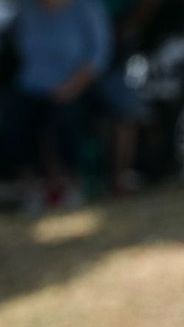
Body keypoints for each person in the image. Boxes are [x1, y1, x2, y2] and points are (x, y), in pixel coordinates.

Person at [11, 0, 111, 210]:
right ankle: (32, 186)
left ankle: (71, 183)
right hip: (33, 87)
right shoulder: (27, 11)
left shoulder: (87, 8)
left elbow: (99, 55)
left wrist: (71, 87)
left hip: (78, 85)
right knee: (15, 115)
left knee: (66, 117)